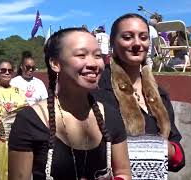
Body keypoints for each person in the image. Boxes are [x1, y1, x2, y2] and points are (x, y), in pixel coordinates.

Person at [8, 27, 131, 180]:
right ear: (55, 63)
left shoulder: (111, 115)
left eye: (98, 55)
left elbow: (123, 173)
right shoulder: (29, 120)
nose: (93, 63)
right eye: (81, 55)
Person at [93, 13, 185, 178]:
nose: (137, 43)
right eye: (128, 37)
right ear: (113, 43)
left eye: (143, 37)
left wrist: (169, 150)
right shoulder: (98, 89)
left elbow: (177, 152)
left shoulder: (160, 94)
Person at [0, 61, 27, 180]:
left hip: (17, 139)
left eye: (10, 71)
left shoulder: (19, 91)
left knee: (16, 170)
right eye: (3, 70)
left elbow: (26, 113)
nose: (7, 73)